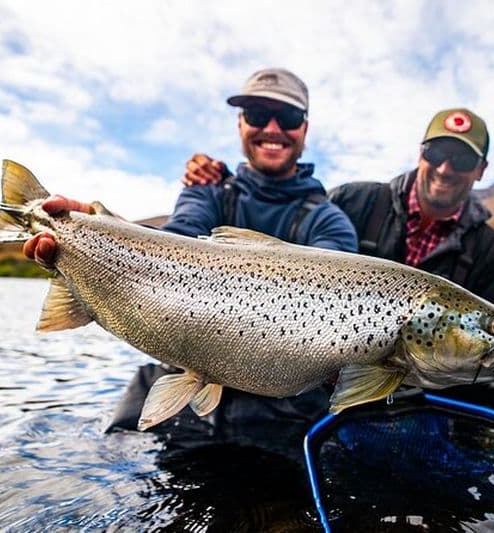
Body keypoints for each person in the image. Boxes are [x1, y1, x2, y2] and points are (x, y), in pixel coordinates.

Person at [22, 68, 359, 434]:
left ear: (304, 129)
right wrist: (107, 229)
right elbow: (172, 241)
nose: (273, 129)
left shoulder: (331, 221)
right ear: (241, 125)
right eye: (259, 116)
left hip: (280, 417)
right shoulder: (206, 191)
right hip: (185, 390)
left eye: (289, 117)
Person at [181, 108, 494, 416]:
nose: (446, 168)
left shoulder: (487, 245)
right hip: (321, 364)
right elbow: (283, 249)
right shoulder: (357, 200)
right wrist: (226, 182)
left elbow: (479, 349)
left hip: (425, 376)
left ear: (481, 169)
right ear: (421, 155)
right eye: (436, 154)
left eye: (463, 160)